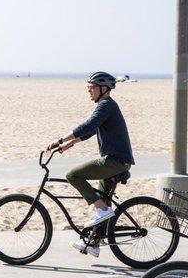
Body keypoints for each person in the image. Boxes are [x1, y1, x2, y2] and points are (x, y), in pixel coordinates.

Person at [45, 71, 135, 258]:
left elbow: (88, 125)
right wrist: (68, 145)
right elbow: (91, 132)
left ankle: (102, 209)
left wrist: (60, 139)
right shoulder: (107, 106)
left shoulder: (106, 105)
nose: (89, 91)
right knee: (103, 201)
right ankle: (94, 244)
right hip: (117, 161)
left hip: (114, 161)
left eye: (92, 88)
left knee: (73, 175)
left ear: (104, 89)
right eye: (88, 88)